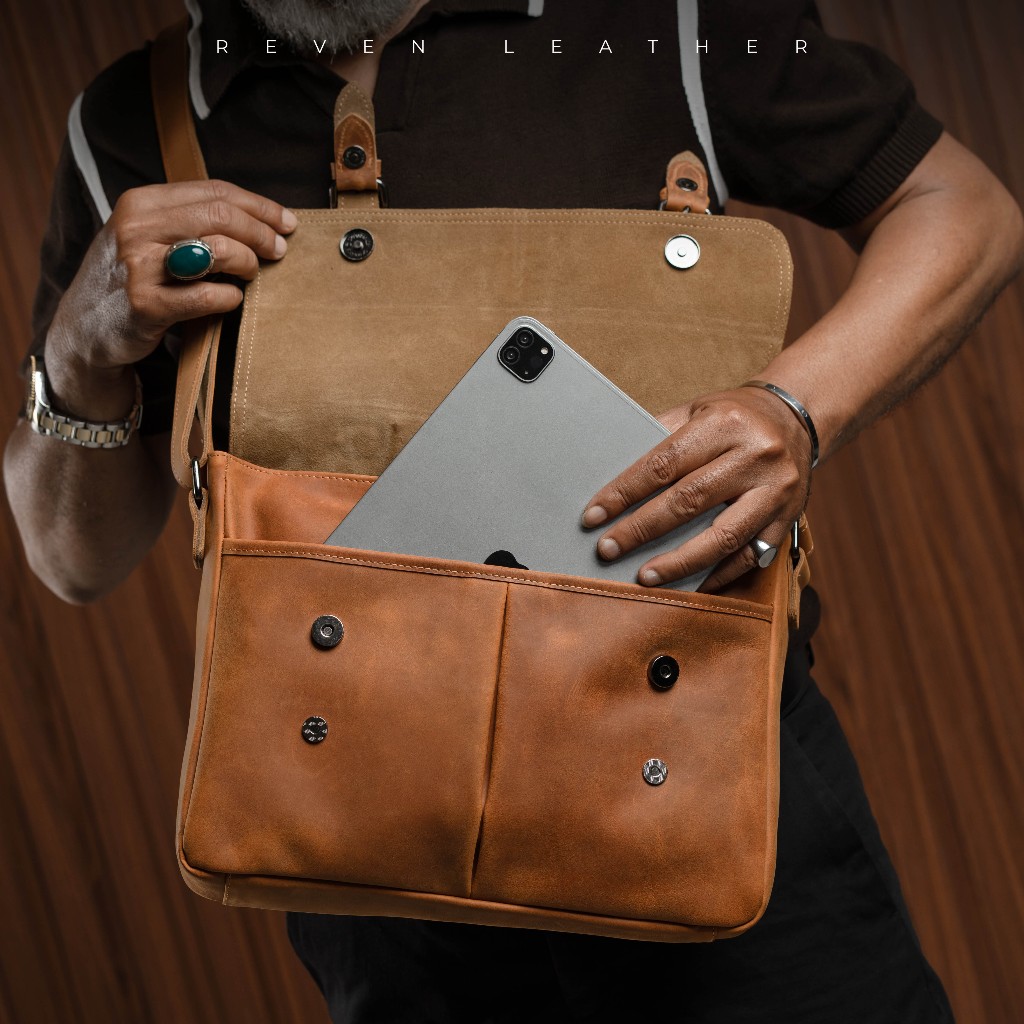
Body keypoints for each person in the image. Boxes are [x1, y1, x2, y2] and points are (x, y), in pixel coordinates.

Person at [4, 1, 1021, 1021]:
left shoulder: (662, 17)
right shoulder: (129, 127)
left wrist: (795, 409)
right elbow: (73, 559)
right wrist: (79, 351)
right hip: (360, 837)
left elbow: (963, 206)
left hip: (697, 765)